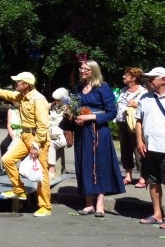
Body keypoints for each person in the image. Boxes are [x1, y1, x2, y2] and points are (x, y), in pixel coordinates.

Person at [0, 71, 52, 217]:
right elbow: (8, 94)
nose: (15, 84)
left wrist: (35, 145)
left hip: (37, 138)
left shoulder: (38, 99)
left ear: (26, 84)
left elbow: (43, 125)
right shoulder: (23, 96)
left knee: (41, 173)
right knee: (7, 159)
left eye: (18, 82)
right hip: (25, 135)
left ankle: (45, 206)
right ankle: (19, 190)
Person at [66, 60, 125, 217]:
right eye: (81, 68)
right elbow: (74, 107)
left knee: (100, 164)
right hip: (82, 132)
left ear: (94, 71)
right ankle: (88, 203)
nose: (82, 71)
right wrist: (74, 117)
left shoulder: (103, 88)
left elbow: (111, 112)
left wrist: (90, 117)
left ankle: (100, 205)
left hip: (99, 131)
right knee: (84, 163)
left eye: (86, 69)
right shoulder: (78, 88)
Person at [135, 67, 165, 226]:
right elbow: (138, 121)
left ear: (163, 80)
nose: (149, 80)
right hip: (149, 148)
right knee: (153, 182)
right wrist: (139, 141)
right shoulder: (145, 98)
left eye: (153, 78)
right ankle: (157, 214)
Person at [116, 67, 147, 187]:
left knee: (138, 150)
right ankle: (128, 175)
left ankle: (143, 177)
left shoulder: (143, 92)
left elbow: (147, 107)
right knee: (125, 149)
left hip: (135, 124)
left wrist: (136, 104)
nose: (123, 77)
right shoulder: (123, 90)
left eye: (126, 75)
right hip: (122, 123)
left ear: (133, 78)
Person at [48, 88, 71, 179]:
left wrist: (67, 112)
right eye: (55, 100)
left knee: (50, 144)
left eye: (58, 100)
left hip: (63, 134)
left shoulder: (68, 107)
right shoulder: (52, 105)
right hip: (50, 131)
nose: (56, 101)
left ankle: (51, 168)